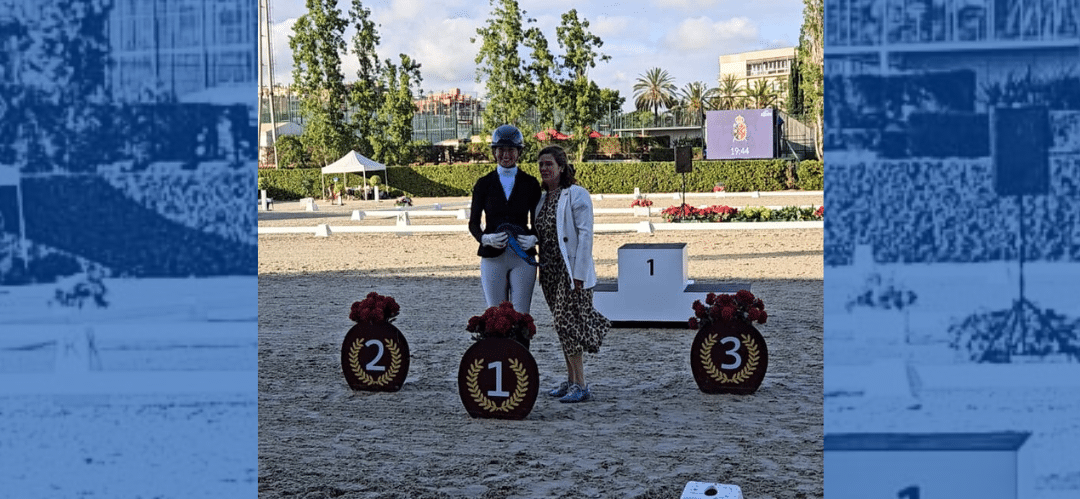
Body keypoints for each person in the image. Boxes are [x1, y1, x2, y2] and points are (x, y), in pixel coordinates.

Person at [533, 145, 610, 403]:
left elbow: (586, 235)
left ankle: (582, 383)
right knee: (562, 328)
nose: (544, 169)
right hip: (549, 274)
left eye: (549, 164)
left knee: (567, 324)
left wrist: (579, 273)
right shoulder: (542, 200)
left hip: (570, 272)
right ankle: (570, 379)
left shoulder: (576, 194)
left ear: (561, 167)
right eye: (541, 164)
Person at [469, 124, 543, 322]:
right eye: (501, 150)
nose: (506, 155)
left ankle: (521, 353)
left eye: (511, 150)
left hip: (522, 257)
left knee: (521, 315)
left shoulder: (530, 183)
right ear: (494, 152)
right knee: (496, 315)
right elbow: (473, 223)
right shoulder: (483, 184)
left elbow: (538, 221)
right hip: (493, 256)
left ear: (519, 152)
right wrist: (485, 238)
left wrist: (535, 238)